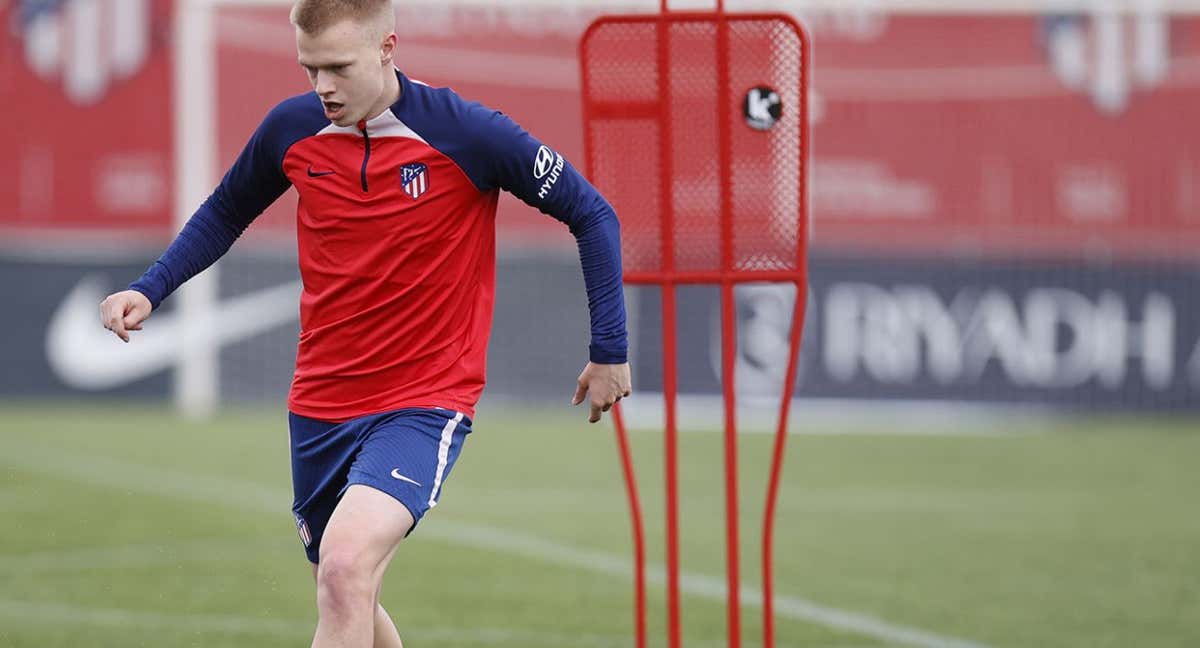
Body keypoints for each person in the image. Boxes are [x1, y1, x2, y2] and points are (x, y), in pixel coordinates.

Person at [97, 1, 631, 646]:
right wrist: (150, 289)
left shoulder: (469, 133)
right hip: (319, 404)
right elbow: (223, 213)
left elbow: (593, 214)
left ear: (387, 48)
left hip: (423, 402)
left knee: (345, 570)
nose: (323, 87)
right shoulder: (290, 130)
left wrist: (609, 349)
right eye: (310, 68)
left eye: (338, 68)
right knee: (348, 589)